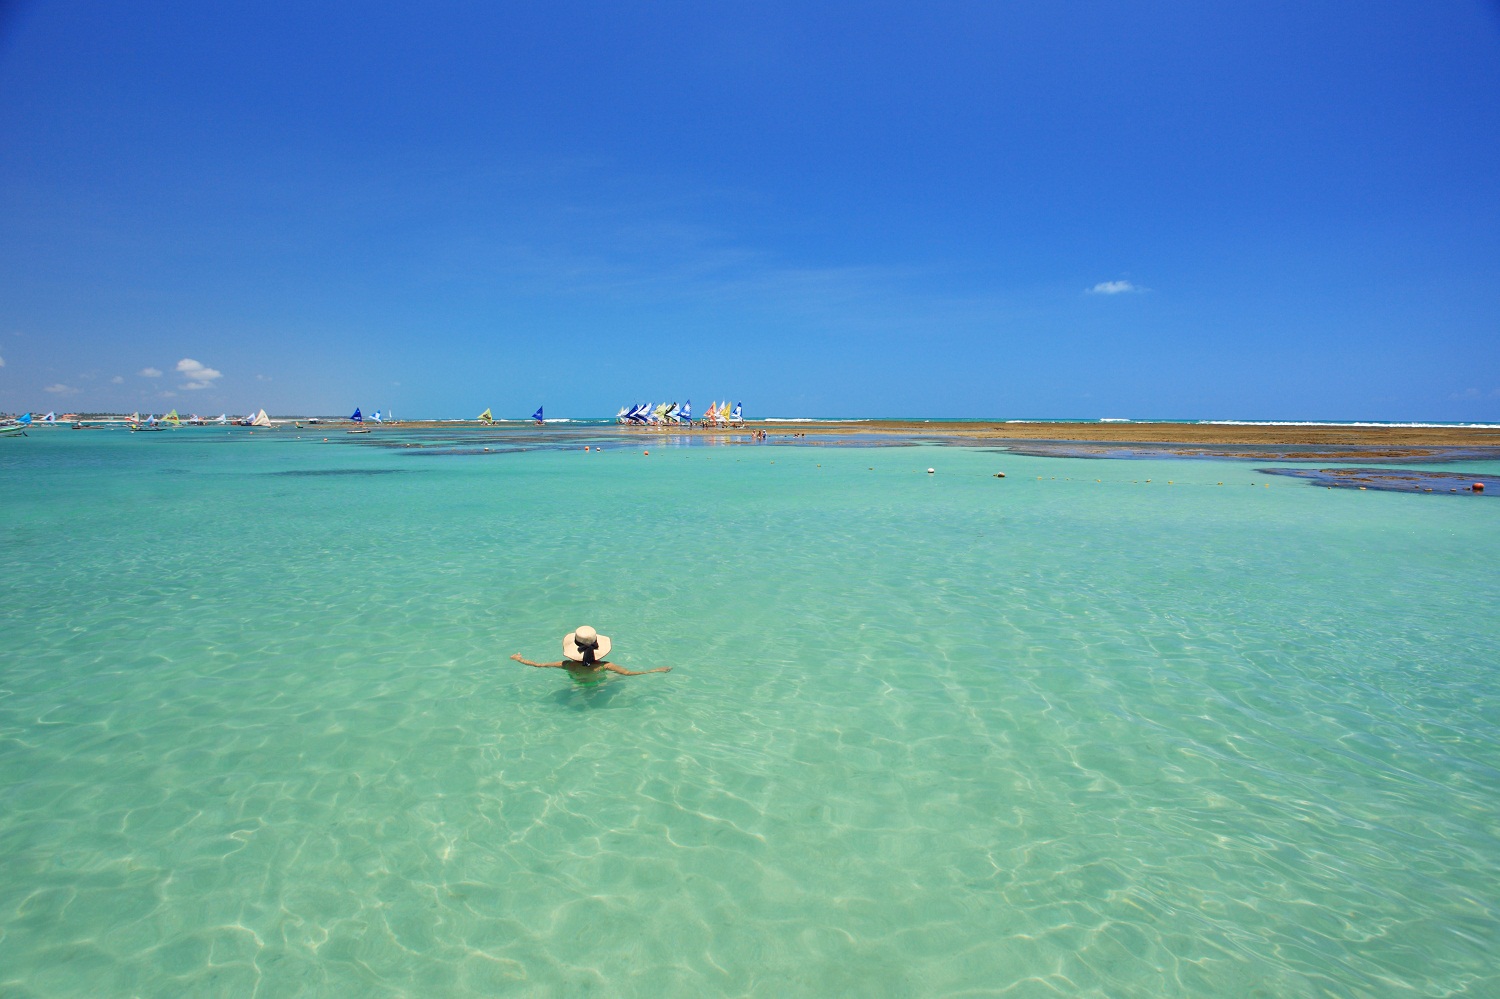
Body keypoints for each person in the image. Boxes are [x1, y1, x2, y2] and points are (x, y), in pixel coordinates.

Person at [510, 626, 671, 683]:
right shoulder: (605, 666)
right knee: (617, 679)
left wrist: (519, 659)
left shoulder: (567, 665)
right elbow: (630, 673)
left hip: (578, 684)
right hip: (598, 684)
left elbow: (539, 665)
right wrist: (656, 670)